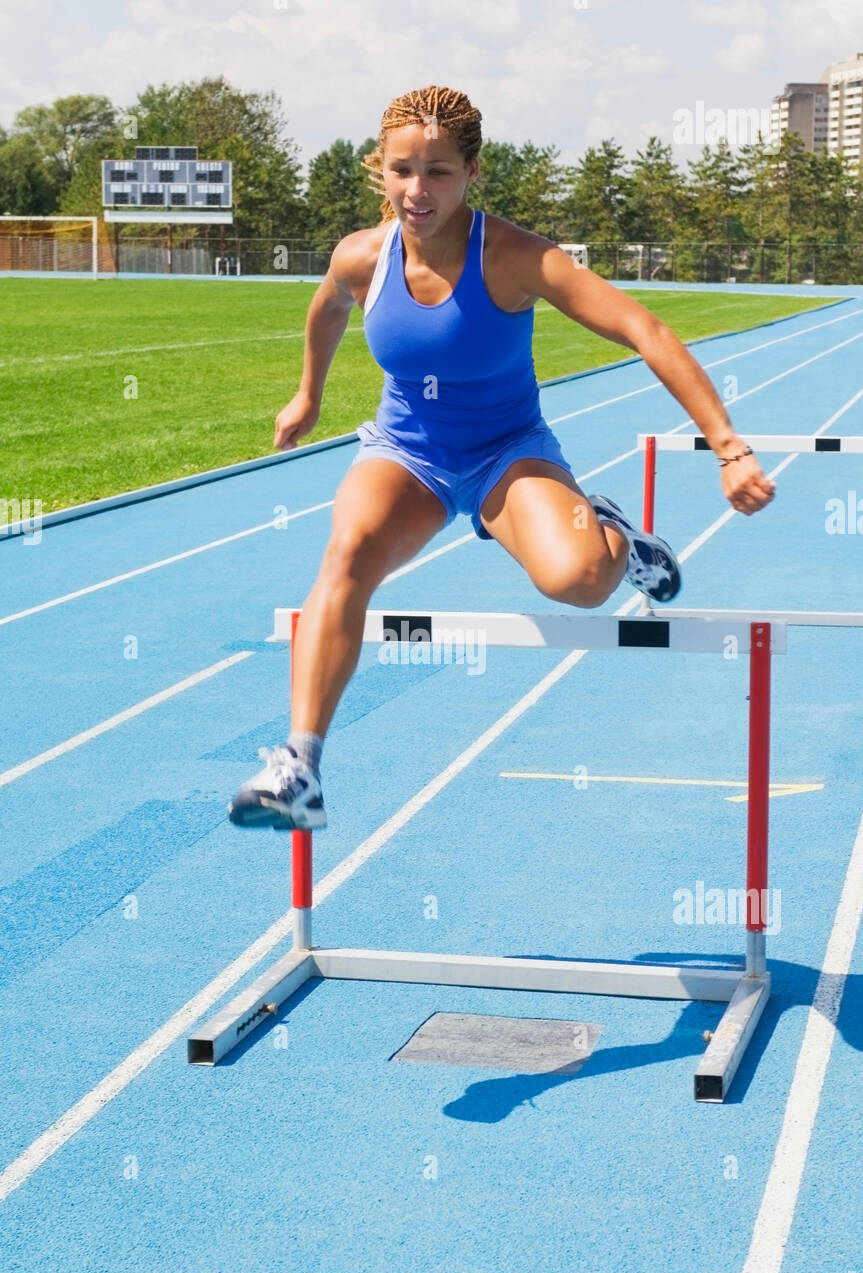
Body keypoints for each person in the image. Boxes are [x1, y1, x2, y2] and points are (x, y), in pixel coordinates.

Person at [228, 85, 775, 831]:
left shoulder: (516, 257)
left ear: (472, 171)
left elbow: (645, 330)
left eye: (439, 172)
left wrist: (729, 448)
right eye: (402, 171)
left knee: (579, 580)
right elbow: (326, 308)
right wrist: (308, 396)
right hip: (408, 454)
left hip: (506, 453)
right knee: (348, 549)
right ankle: (300, 765)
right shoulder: (361, 256)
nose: (418, 191)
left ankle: (617, 535)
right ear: (379, 171)